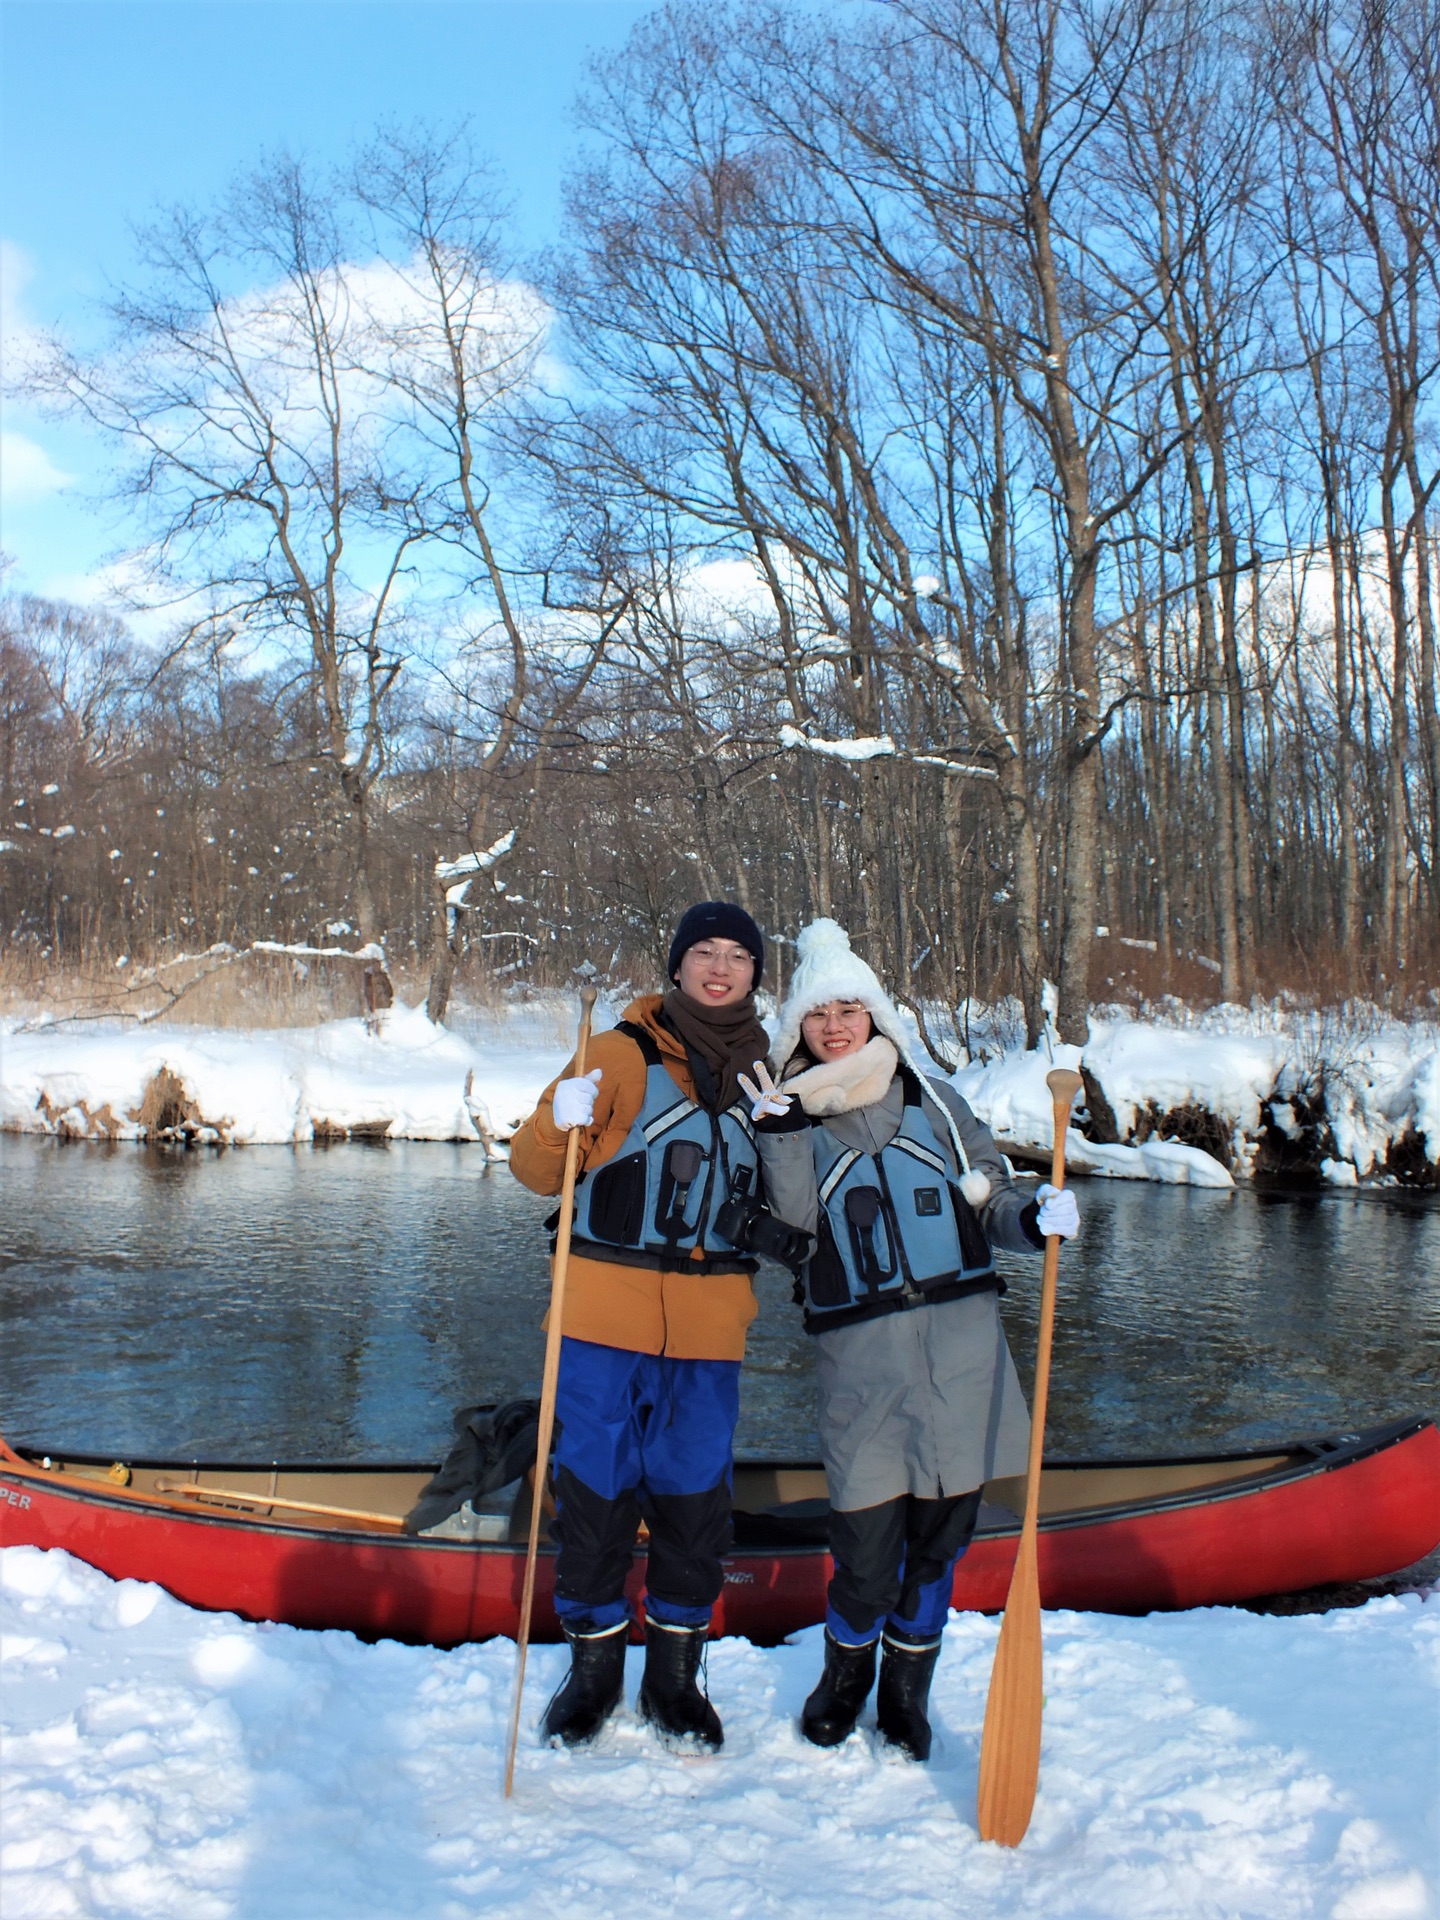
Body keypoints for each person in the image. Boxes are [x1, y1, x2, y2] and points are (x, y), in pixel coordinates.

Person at [753, 919, 1079, 1762]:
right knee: (863, 1550)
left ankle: (907, 1692)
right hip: (864, 1369)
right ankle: (845, 1679)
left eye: (848, 1010)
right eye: (818, 1014)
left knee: (939, 1544)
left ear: (875, 1017)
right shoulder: (783, 1115)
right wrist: (781, 1141)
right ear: (799, 1028)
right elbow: (786, 1232)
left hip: (963, 1360)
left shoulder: (934, 1100)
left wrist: (1036, 1215)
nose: (835, 1026)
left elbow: (992, 1199)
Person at [509, 901, 803, 1754]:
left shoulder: (771, 1078)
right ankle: (595, 1671)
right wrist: (552, 1119)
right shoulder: (615, 1056)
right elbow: (534, 1172)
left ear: (756, 974)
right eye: (703, 952)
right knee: (595, 1496)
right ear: (676, 967)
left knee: (692, 1503)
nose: (719, 967)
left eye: (738, 956)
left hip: (711, 1330)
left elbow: (793, 1207)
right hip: (602, 1315)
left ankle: (675, 1676)